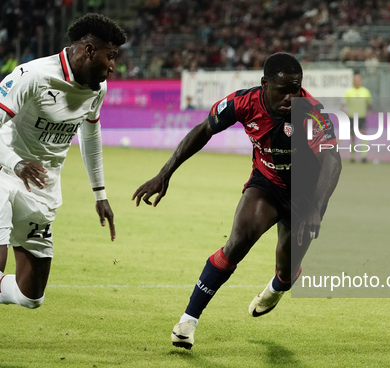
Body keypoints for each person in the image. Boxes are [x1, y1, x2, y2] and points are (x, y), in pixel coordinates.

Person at [133, 53, 342, 349]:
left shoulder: (311, 113)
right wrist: (164, 174)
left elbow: (333, 161)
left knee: (286, 269)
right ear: (264, 84)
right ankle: (187, 321)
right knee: (238, 241)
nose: (290, 96)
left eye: (295, 88)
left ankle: (277, 287)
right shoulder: (242, 103)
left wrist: (314, 209)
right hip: (267, 183)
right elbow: (204, 129)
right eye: (282, 89)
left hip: (307, 195)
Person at [0, 13, 125, 309]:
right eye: (111, 57)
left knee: (32, 296)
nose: (112, 67)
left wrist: (100, 193)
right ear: (89, 51)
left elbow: (90, 137)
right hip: (5, 172)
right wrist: (15, 162)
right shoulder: (32, 75)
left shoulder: (97, 89)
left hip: (42, 187)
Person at [342, 73, 372, 163]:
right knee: (353, 137)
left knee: (364, 135)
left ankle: (364, 156)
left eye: (358, 80)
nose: (357, 82)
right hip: (351, 116)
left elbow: (369, 103)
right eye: (355, 80)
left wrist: (370, 110)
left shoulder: (365, 91)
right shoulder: (349, 92)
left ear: (361, 81)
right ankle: (352, 156)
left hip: (361, 117)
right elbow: (343, 104)